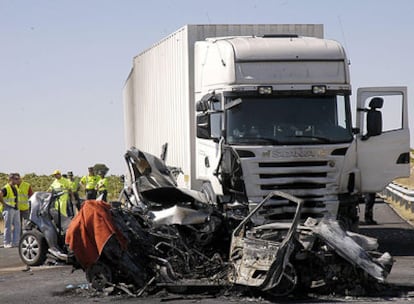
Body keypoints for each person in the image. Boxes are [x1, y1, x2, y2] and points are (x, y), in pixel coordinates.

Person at [0, 173, 21, 248]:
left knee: (17, 226)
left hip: (15, 208)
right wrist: (4, 203)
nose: (18, 180)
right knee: (8, 226)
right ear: (11, 179)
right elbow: (0, 194)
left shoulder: (15, 187)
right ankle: (7, 242)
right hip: (8, 208)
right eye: (16, 179)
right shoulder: (6, 188)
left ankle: (16, 242)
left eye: (18, 178)